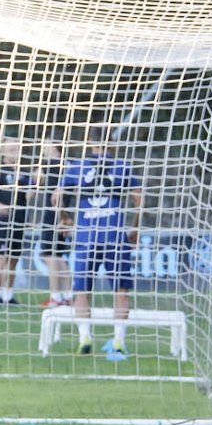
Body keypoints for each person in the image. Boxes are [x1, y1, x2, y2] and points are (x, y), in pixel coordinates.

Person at [53, 126, 142, 360]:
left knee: (81, 290)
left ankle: (85, 337)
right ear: (111, 142)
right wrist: (135, 226)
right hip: (114, 236)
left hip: (86, 237)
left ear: (89, 142)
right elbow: (138, 197)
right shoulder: (122, 166)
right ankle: (119, 342)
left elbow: (57, 196)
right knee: (121, 290)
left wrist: (64, 218)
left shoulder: (77, 166)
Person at [0, 139, 33, 305]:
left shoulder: (23, 172)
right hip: (3, 220)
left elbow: (28, 194)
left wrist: (32, 189)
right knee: (2, 257)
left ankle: (8, 294)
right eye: (11, 150)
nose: (15, 152)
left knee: (14, 258)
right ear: (4, 151)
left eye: (17, 149)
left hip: (19, 219)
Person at [38, 140, 73, 308]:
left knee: (50, 257)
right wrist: (66, 218)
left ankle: (56, 297)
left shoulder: (52, 165)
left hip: (54, 217)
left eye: (46, 146)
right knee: (59, 258)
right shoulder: (68, 166)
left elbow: (55, 196)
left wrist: (60, 217)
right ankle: (68, 296)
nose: (43, 149)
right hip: (63, 217)